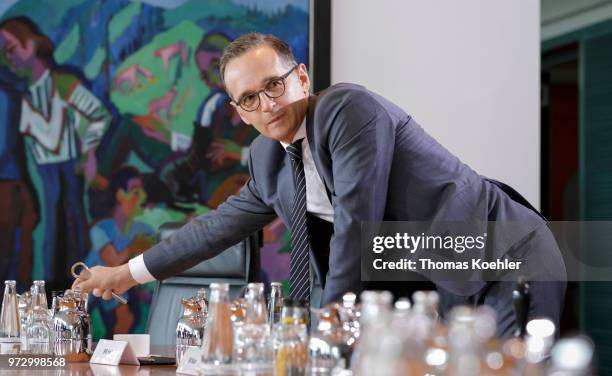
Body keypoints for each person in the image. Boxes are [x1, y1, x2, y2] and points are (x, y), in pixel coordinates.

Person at [74, 33, 566, 337]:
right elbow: (216, 227)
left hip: (503, 255)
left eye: (274, 84)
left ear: (301, 78)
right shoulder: (268, 158)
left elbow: (357, 219)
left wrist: (325, 330)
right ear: (238, 113)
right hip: (437, 278)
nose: (267, 104)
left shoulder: (347, 109)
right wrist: (124, 273)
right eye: (249, 99)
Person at [0, 17, 111, 285]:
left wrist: (90, 154)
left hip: (69, 172)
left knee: (71, 240)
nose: (8, 58)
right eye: (4, 54)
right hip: (42, 177)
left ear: (32, 44)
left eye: (11, 49)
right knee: (47, 243)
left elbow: (99, 115)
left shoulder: (63, 84)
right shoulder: (22, 96)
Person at [85, 166, 155, 336]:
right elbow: (113, 263)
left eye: (142, 192)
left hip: (123, 289)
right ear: (119, 195)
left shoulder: (144, 230)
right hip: (93, 288)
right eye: (135, 192)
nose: (142, 198)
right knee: (124, 317)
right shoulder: (101, 229)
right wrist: (134, 247)